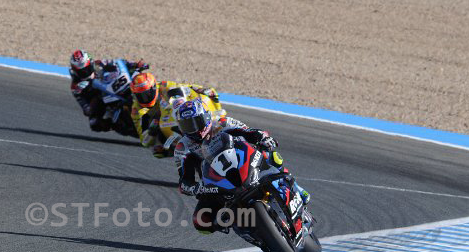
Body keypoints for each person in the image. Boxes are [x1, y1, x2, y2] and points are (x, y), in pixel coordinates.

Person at [173, 99, 309, 234]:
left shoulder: (222, 123)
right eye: (187, 125)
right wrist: (196, 188)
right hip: (215, 184)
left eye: (196, 122)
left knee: (270, 154)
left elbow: (249, 132)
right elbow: (184, 181)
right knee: (201, 221)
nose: (194, 129)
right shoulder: (183, 147)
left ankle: (296, 187)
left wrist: (263, 138)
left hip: (243, 162)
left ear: (206, 117)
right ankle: (246, 230)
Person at [130, 75, 220, 158]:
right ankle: (173, 149)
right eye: (140, 96)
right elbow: (144, 141)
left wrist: (200, 89)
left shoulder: (165, 85)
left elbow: (185, 87)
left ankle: (214, 118)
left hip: (173, 112)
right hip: (160, 122)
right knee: (157, 151)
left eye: (147, 94)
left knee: (210, 93)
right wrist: (151, 131)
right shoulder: (136, 110)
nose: (145, 98)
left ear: (154, 87)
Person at [68, 49, 147, 132]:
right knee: (95, 124)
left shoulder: (99, 63)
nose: (84, 72)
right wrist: (90, 107)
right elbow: (84, 106)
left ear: (91, 63)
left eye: (86, 68)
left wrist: (135, 65)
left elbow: (119, 63)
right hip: (99, 102)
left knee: (139, 81)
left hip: (112, 87)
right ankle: (118, 126)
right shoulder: (76, 87)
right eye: (81, 71)